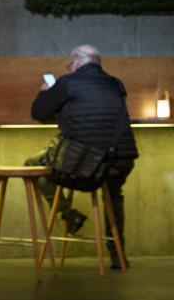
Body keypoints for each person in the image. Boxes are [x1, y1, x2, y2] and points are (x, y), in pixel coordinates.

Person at [29, 45, 138, 269]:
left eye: (71, 65)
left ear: (76, 63)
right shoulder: (116, 84)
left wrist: (45, 92)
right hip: (122, 157)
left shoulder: (66, 83)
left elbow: (38, 113)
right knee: (113, 194)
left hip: (86, 161)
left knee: (33, 164)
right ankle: (117, 254)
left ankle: (69, 214)